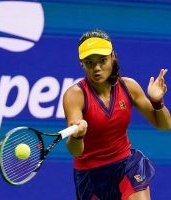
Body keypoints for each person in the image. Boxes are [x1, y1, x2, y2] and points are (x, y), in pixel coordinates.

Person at [63, 29, 171, 200]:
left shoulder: (129, 87)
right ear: (81, 63)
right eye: (89, 62)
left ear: (113, 57)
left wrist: (157, 102)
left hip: (126, 165)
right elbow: (76, 151)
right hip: (90, 175)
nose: (97, 68)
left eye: (102, 60)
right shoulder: (75, 95)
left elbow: (165, 125)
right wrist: (78, 136)